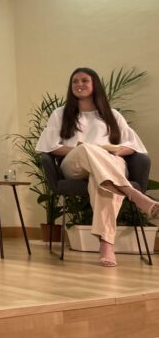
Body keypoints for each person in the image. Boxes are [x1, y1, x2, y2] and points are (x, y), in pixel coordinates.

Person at [36, 67, 159, 267]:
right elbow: (49, 147)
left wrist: (115, 152)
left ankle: (106, 245)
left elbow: (134, 146)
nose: (79, 84)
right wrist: (88, 150)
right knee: (87, 149)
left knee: (101, 179)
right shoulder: (60, 114)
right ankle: (133, 194)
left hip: (110, 164)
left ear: (95, 85)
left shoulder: (112, 115)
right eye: (75, 81)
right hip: (75, 163)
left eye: (84, 80)